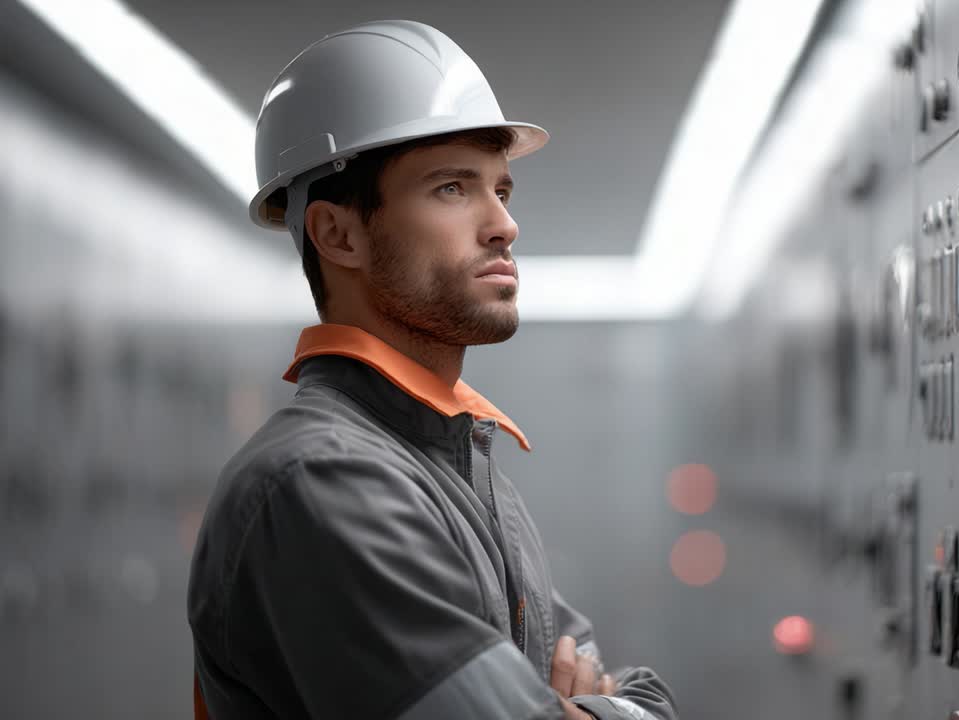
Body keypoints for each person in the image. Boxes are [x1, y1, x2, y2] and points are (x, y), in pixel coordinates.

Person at [187, 20, 677, 720]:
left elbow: (637, 689)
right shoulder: (321, 483)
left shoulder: (456, 458)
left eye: (501, 191)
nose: (504, 225)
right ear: (338, 233)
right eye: (452, 188)